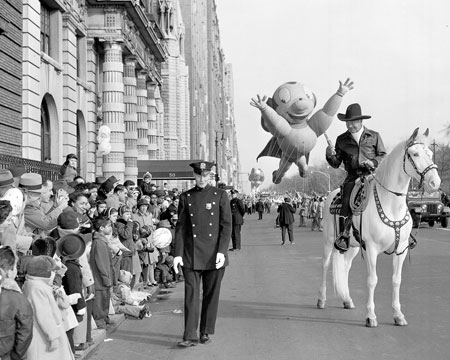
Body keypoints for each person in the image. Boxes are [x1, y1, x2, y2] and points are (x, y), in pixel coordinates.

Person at [173, 161, 232, 347]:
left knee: (211, 295)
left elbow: (226, 226)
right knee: (191, 295)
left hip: (214, 254)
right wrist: (177, 254)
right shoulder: (186, 197)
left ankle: (205, 331)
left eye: (205, 175)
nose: (201, 179)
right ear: (194, 176)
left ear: (210, 176)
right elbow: (181, 228)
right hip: (191, 255)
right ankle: (189, 335)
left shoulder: (220, 195)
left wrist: (222, 250)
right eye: (198, 175)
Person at [326, 103, 386, 252]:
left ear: (360, 121)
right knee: (346, 200)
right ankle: (344, 235)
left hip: (373, 175)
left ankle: (404, 232)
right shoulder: (341, 140)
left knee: (393, 192)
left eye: (353, 122)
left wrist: (372, 162)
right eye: (348, 122)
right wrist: (329, 154)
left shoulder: (374, 136)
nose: (350, 125)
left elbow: (383, 155)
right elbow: (335, 163)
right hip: (353, 177)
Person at [0, 246, 34, 360]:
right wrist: (15, 356)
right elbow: (25, 333)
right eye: (15, 267)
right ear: (9, 272)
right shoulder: (17, 298)